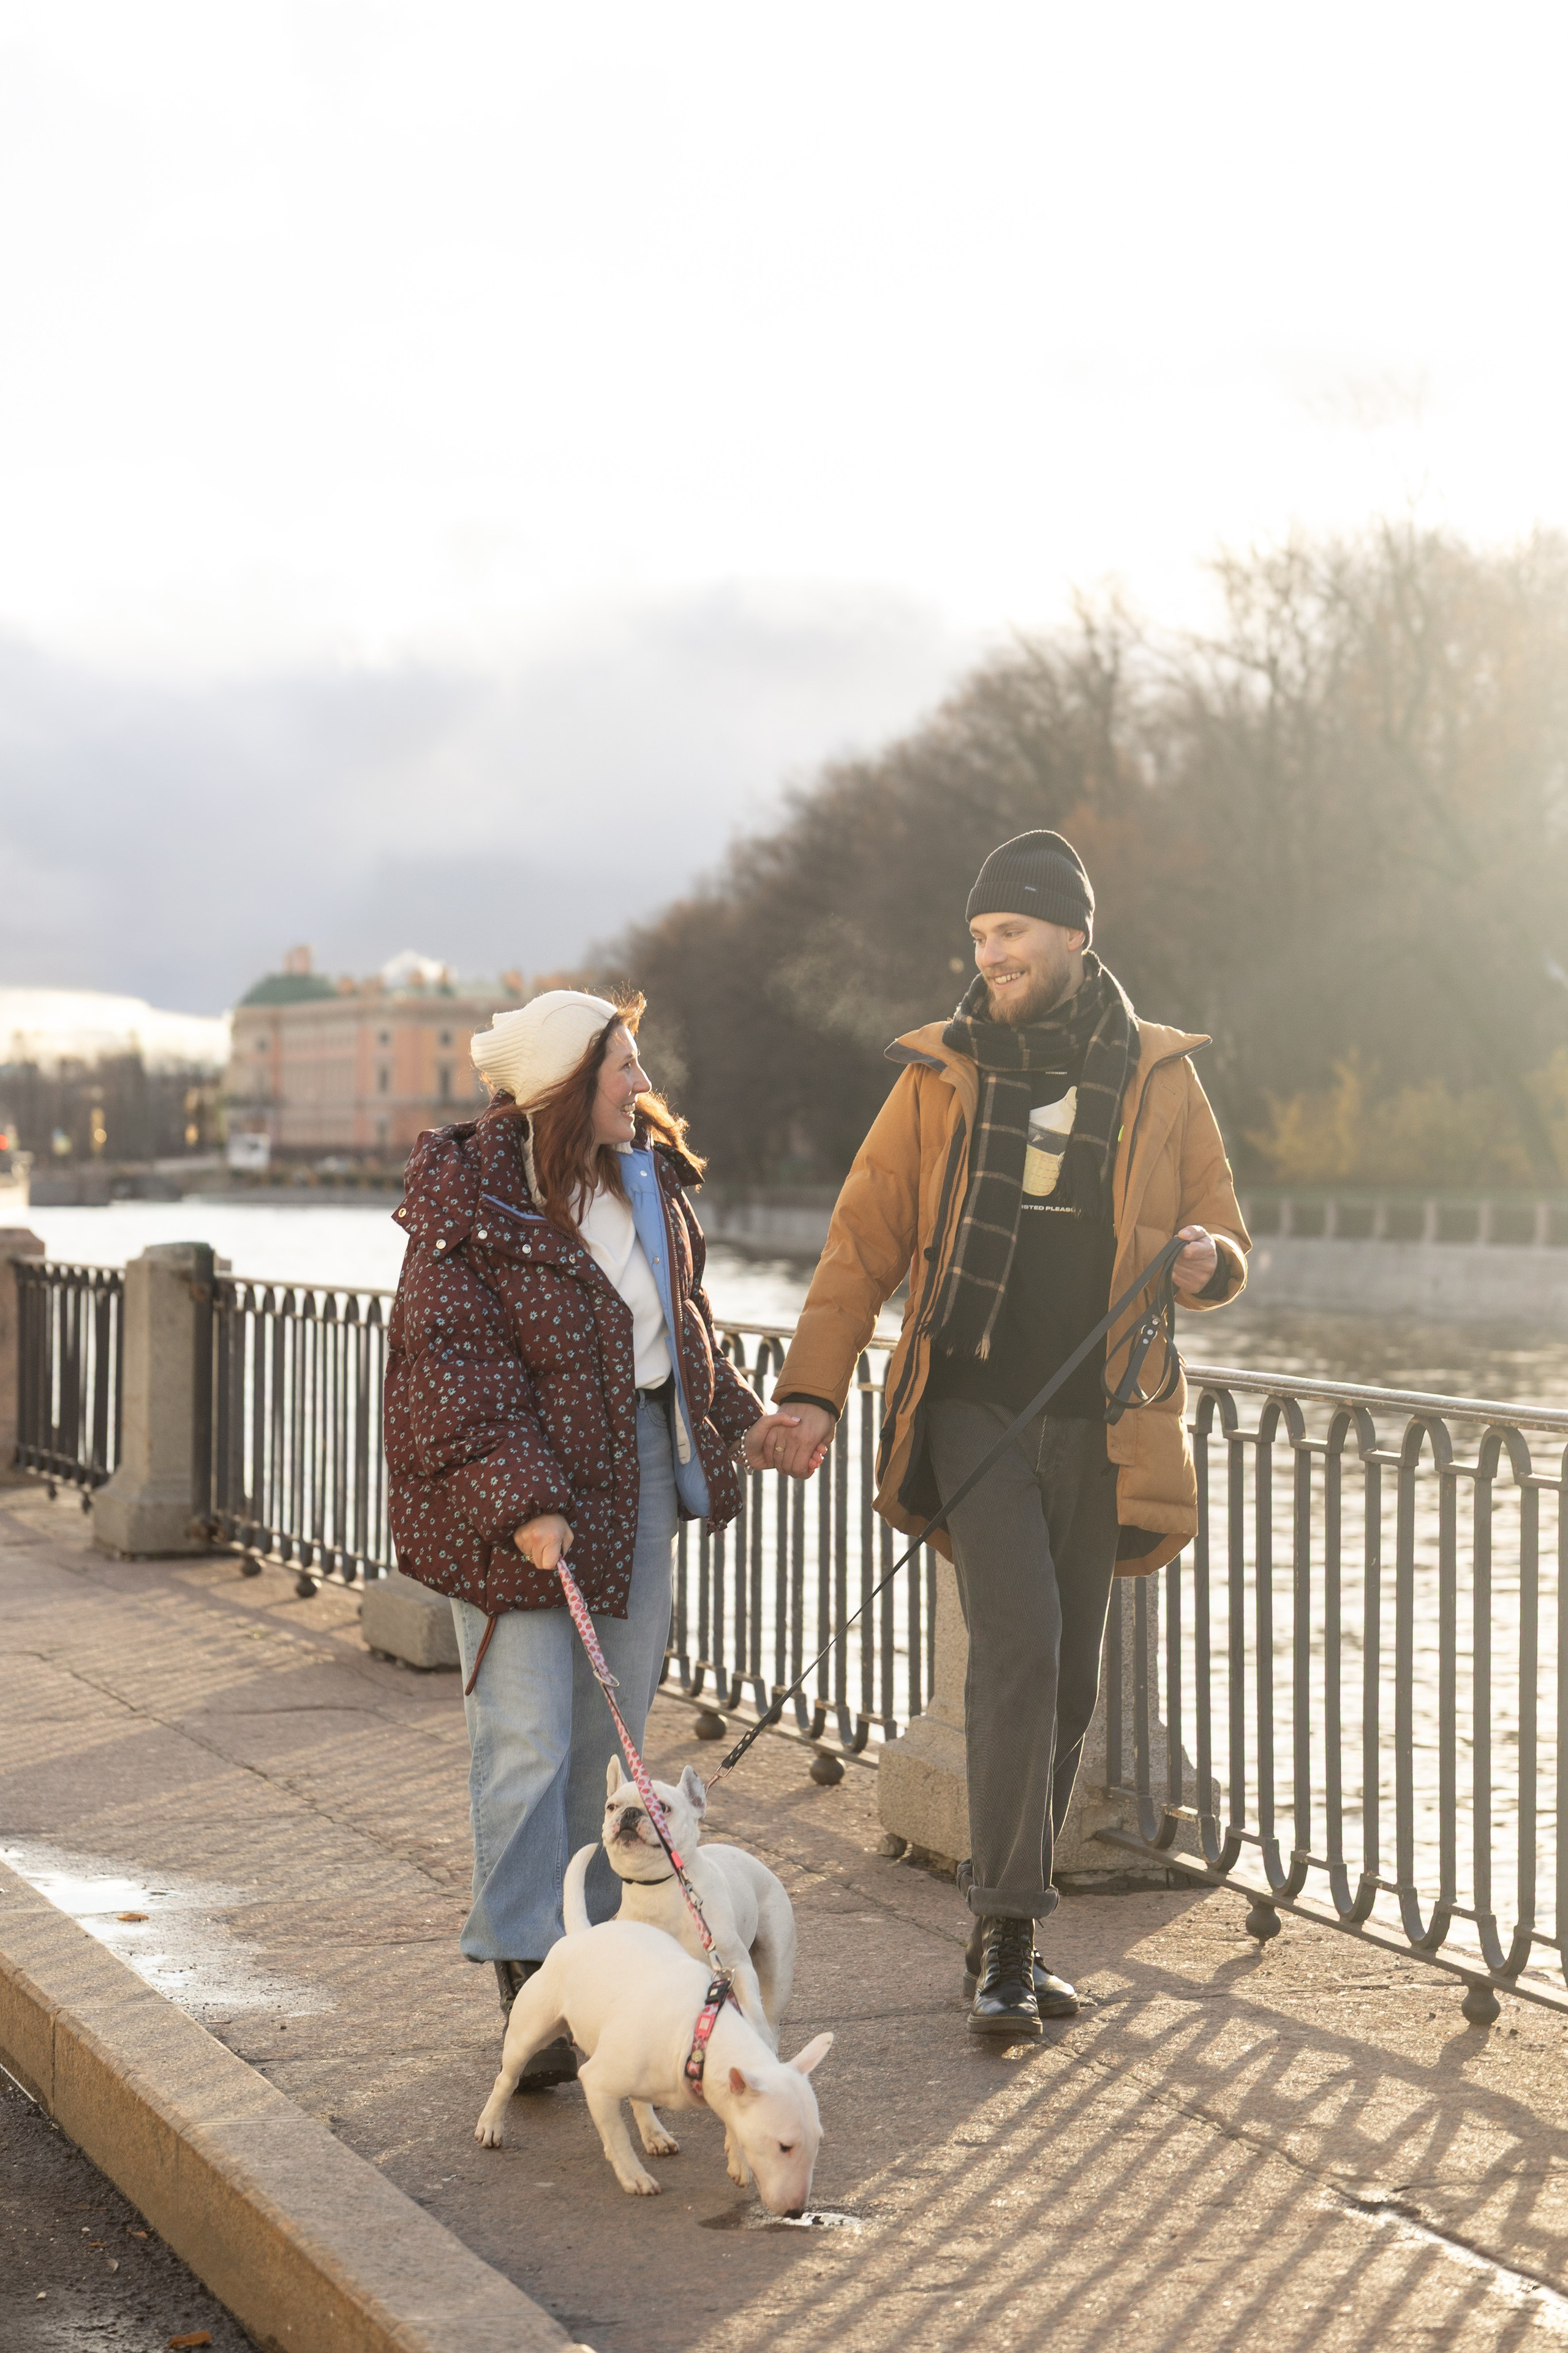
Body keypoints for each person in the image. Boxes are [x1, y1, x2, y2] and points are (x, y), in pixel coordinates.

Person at [769, 831, 1250, 2036]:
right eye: (980, 936)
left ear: (1073, 936)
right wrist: (814, 1392)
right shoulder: (942, 1072)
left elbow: (1221, 1228)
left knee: (1070, 1680)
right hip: (971, 1408)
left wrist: (1209, 1261)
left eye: (1012, 933)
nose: (990, 954)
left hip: (1101, 1420)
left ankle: (1010, 1933)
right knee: (1021, 1644)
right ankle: (1005, 1937)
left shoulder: (1157, 1073)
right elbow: (861, 1240)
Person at [384, 987, 810, 2085]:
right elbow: (449, 1365)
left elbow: (680, 1329)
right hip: (513, 1496)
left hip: (636, 1478)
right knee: (527, 1735)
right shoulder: (472, 1195)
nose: (643, 1082)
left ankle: (594, 1959)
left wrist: (741, 1422)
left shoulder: (646, 1179)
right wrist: (526, 1499)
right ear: (567, 1084)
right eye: (624, 1064)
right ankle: (530, 1971)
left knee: (605, 1742)